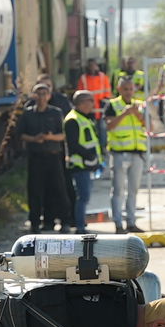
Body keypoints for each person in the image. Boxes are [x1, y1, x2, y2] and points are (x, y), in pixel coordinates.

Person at [17, 83, 71, 233]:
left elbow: (63, 135)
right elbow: (20, 134)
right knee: (35, 190)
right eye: (38, 94)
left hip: (53, 156)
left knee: (59, 189)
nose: (41, 97)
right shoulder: (28, 114)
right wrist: (34, 139)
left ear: (49, 96)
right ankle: (35, 223)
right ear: (33, 96)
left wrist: (50, 137)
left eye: (44, 94)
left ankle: (64, 221)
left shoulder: (56, 112)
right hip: (36, 157)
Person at [104, 77, 148, 234]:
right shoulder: (112, 105)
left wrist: (137, 114)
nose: (128, 92)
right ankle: (118, 224)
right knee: (118, 190)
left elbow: (148, 125)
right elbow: (109, 126)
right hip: (119, 154)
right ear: (119, 89)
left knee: (133, 190)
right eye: (125, 89)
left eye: (131, 89)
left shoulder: (139, 105)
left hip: (137, 154)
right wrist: (125, 113)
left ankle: (131, 222)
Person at [63, 90, 103, 234]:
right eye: (90, 100)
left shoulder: (85, 118)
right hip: (80, 165)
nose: (92, 104)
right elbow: (73, 144)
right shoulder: (73, 119)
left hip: (87, 164)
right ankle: (79, 227)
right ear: (81, 103)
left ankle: (80, 225)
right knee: (83, 196)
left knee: (84, 196)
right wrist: (89, 155)